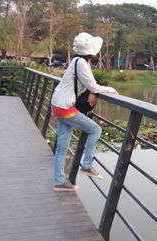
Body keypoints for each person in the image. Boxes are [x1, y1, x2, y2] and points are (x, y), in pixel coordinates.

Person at [51, 32, 117, 192]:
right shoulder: (81, 63)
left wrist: (93, 90)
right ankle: (87, 165)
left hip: (57, 104)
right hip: (65, 106)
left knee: (62, 147)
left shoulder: (78, 61)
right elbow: (93, 86)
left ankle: (60, 181)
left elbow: (90, 84)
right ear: (91, 51)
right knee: (96, 129)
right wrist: (111, 89)